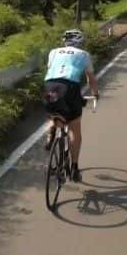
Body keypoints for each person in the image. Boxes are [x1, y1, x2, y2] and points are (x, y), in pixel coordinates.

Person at [43, 29, 99, 182]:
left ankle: (51, 132)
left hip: (50, 85)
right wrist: (96, 94)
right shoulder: (84, 55)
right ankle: (74, 168)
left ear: (64, 41)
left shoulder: (53, 52)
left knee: (54, 112)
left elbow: (51, 70)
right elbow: (91, 80)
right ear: (79, 42)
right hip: (70, 88)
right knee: (75, 128)